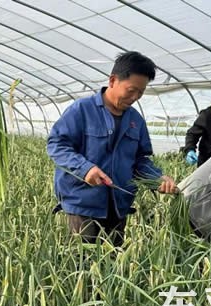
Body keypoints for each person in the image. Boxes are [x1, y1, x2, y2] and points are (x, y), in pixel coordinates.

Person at [47, 51, 178, 246]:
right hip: (83, 204)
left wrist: (157, 178)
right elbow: (57, 145)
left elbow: (140, 160)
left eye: (140, 93)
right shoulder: (82, 110)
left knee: (113, 263)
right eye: (131, 90)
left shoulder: (136, 121)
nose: (135, 97)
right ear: (113, 80)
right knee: (82, 263)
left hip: (119, 205)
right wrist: (86, 170)